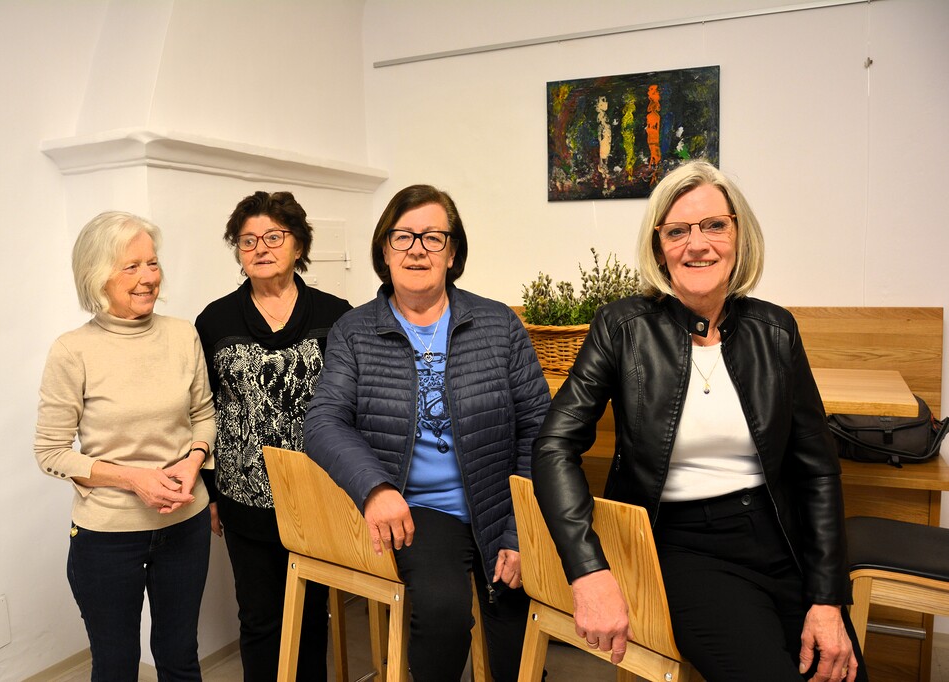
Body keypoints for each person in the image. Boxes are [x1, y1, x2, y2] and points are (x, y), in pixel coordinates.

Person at [531, 160, 867, 682]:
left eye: (714, 225)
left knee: (841, 674)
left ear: (739, 235)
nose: (697, 244)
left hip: (779, 539)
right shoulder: (622, 328)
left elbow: (818, 471)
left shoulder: (776, 331)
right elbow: (554, 446)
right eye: (677, 231)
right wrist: (588, 569)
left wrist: (827, 599)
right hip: (681, 546)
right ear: (658, 246)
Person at [304, 184, 551, 682]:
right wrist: (375, 489)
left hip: (499, 504)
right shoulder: (354, 331)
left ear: (452, 253)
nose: (417, 249)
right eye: (403, 236)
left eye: (433, 237)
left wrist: (520, 529)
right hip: (419, 512)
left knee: (519, 637)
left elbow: (539, 429)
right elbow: (323, 421)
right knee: (443, 614)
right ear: (384, 250)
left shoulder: (498, 324)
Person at [35, 211, 215, 681]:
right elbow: (51, 452)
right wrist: (134, 479)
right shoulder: (72, 350)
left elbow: (203, 415)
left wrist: (194, 462)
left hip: (185, 525)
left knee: (180, 657)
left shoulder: (182, 334)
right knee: (115, 666)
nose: (148, 277)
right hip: (107, 536)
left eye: (152, 263)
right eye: (131, 267)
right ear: (97, 277)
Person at [195, 191, 351, 682]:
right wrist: (210, 491)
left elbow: (354, 404)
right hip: (243, 496)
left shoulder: (337, 314)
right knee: (259, 616)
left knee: (312, 613)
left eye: (273, 237)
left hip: (318, 490)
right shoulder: (214, 320)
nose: (260, 248)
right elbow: (203, 409)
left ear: (298, 244)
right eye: (247, 241)